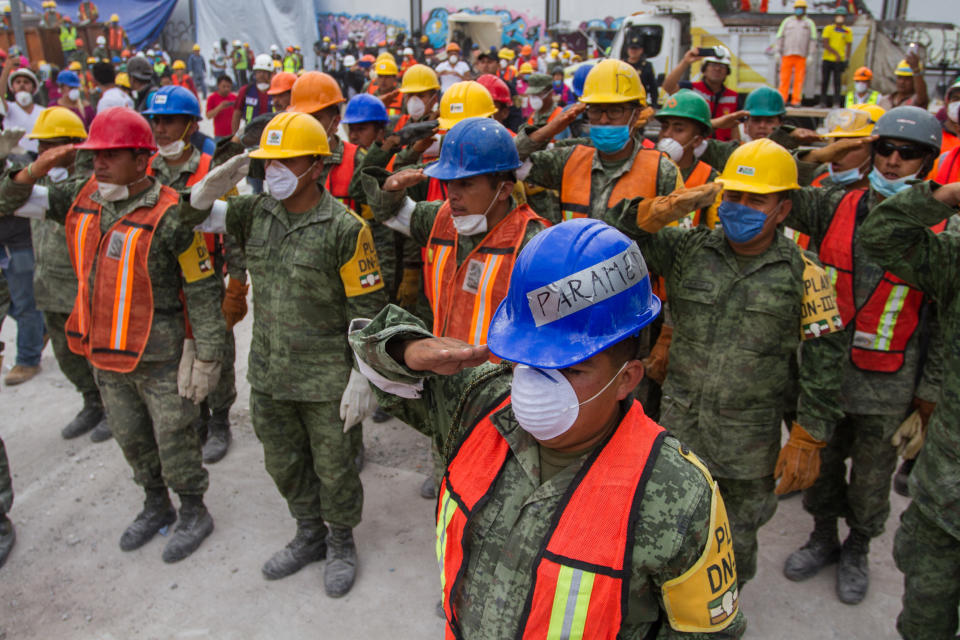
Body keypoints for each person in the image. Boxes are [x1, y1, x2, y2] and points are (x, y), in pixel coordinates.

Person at [349, 217, 746, 639]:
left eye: (569, 368)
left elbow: (708, 634)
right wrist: (409, 348)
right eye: (529, 358)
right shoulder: (480, 404)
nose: (537, 384)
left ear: (627, 379)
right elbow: (374, 357)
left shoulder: (677, 494)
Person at [604, 138, 846, 588]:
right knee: (660, 537)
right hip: (679, 431)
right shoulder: (688, 249)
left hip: (746, 448)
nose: (741, 208)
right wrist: (679, 201)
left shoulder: (805, 273)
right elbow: (616, 231)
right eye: (734, 196)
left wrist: (809, 435)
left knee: (733, 548)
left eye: (756, 200)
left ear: (783, 209)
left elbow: (824, 363)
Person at [0, 107, 226, 563]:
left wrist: (207, 355)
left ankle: (194, 510)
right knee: (131, 438)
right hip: (103, 354)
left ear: (142, 160)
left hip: (158, 357)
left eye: (111, 154)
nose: (99, 163)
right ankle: (154, 503)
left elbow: (201, 288)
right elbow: (7, 202)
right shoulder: (82, 195)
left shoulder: (172, 214)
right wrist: (33, 169)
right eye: (95, 154)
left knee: (175, 438)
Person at [184, 111, 386, 595]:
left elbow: (368, 310)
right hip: (271, 374)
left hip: (325, 380)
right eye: (267, 160)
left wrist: (365, 376)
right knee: (283, 462)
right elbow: (193, 218)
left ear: (316, 166)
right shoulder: (255, 212)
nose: (272, 170)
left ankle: (340, 540)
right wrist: (209, 187)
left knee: (335, 468)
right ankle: (308, 532)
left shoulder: (345, 227)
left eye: (285, 160)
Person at [779, 106, 942, 605]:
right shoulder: (835, 205)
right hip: (824, 380)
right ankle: (823, 537)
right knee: (821, 470)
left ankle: (857, 549)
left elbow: (941, 325)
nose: (893, 162)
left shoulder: (940, 235)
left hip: (888, 387)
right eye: (884, 149)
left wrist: (928, 395)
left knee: (871, 485)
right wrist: (821, 153)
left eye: (907, 154)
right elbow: (774, 186)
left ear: (928, 165)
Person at [859, 143, 960, 640]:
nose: (893, 158)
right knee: (924, 618)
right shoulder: (957, 253)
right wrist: (944, 197)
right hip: (945, 494)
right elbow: (880, 238)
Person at [144, 85, 243, 463]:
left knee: (215, 351)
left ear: (190, 125)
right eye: (157, 121)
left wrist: (237, 283)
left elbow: (233, 230)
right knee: (176, 356)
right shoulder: (146, 169)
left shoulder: (211, 171)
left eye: (170, 121)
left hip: (207, 280)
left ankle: (220, 420)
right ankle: (195, 415)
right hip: (163, 283)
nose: (162, 128)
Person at [24, 107, 111, 440]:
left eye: (54, 145)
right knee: (66, 354)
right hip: (49, 286)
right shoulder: (38, 181)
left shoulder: (91, 185)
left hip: (81, 287)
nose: (46, 153)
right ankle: (91, 402)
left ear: (74, 146)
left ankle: (111, 407)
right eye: (42, 146)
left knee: (98, 354)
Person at [516, 60, 678, 223]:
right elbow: (510, 162)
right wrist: (549, 129)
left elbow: (675, 240)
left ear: (635, 115)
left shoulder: (662, 172)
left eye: (615, 110)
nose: (603, 119)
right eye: (596, 110)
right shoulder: (568, 160)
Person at [654, 90, 722, 228]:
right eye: (664, 127)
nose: (667, 134)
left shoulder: (710, 180)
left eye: (678, 129)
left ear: (697, 140)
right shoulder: (646, 171)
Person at [663, 47, 739, 142]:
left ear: (727, 72)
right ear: (704, 69)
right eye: (713, 65)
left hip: (721, 150)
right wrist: (685, 62)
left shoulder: (734, 97)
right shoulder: (691, 89)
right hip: (695, 146)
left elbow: (735, 127)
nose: (717, 68)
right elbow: (668, 87)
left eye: (722, 66)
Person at [776, 0, 817, 106]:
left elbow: (813, 40)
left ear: (805, 10)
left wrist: (811, 55)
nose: (799, 10)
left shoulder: (809, 23)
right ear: (794, 9)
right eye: (798, 8)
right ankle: (782, 100)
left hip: (801, 56)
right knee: (784, 79)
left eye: (802, 8)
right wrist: (777, 51)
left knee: (799, 80)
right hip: (787, 54)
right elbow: (780, 37)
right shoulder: (787, 22)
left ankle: (796, 100)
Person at [2, 66, 44, 154]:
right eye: (18, 82)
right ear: (12, 88)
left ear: (33, 87)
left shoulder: (43, 111)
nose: (22, 85)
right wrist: (7, 67)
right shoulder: (9, 108)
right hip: (16, 161)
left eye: (26, 82)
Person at [231, 54, 273, 136]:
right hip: (250, 134)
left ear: (270, 73)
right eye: (259, 72)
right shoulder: (246, 91)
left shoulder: (276, 92)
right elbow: (237, 114)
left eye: (265, 72)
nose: (262, 75)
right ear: (255, 73)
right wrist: (234, 136)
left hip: (271, 134)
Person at [820, 7, 853, 108]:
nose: (840, 18)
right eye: (838, 16)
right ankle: (822, 102)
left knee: (837, 83)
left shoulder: (847, 31)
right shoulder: (828, 29)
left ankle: (836, 102)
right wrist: (836, 54)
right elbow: (825, 43)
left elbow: (849, 45)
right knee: (825, 81)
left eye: (842, 16)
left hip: (839, 61)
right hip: (827, 59)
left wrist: (847, 59)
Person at [622, 30, 658, 107]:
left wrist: (654, 105)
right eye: (631, 48)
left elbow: (653, 87)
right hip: (623, 101)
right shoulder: (622, 65)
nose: (633, 51)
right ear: (628, 49)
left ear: (641, 50)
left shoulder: (646, 66)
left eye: (636, 49)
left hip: (640, 103)